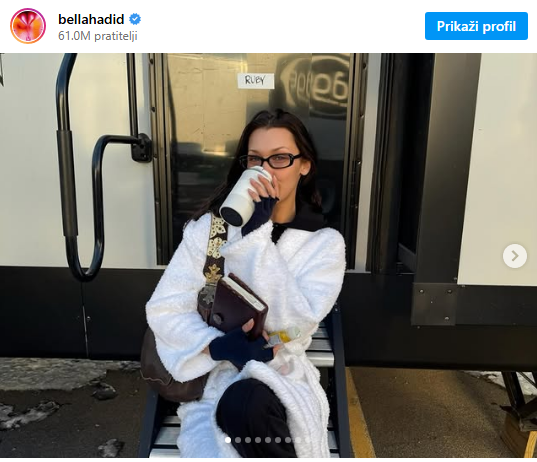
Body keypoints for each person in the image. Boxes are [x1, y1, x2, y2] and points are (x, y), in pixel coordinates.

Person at [146, 109, 346, 458]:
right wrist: (218, 347)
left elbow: (297, 323)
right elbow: (165, 308)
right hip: (216, 374)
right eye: (255, 159)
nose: (265, 170)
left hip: (278, 371)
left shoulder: (323, 243)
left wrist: (256, 238)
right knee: (233, 407)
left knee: (246, 403)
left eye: (279, 158)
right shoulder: (210, 231)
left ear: (304, 166)